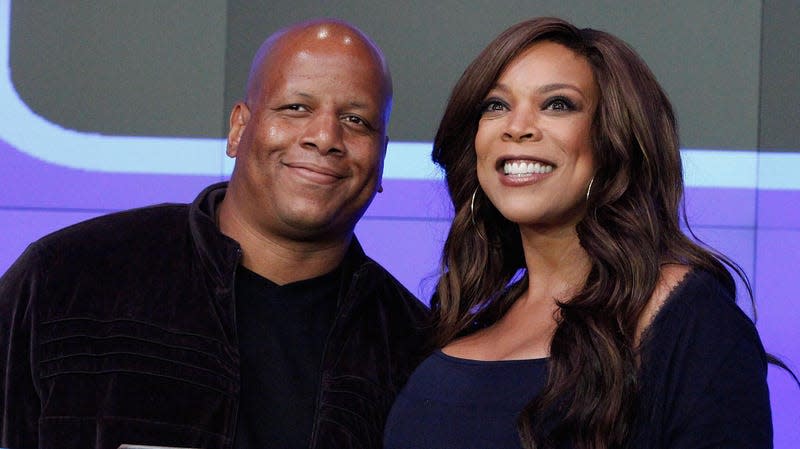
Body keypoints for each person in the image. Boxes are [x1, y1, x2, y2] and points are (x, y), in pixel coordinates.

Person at [0, 19, 429, 449]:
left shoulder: (418, 353)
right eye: (296, 108)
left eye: (356, 120)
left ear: (381, 159)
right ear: (239, 129)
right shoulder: (64, 281)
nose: (324, 137)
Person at [384, 17, 773, 449]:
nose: (517, 127)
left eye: (557, 105)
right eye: (495, 105)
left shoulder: (691, 320)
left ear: (614, 140)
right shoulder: (461, 322)